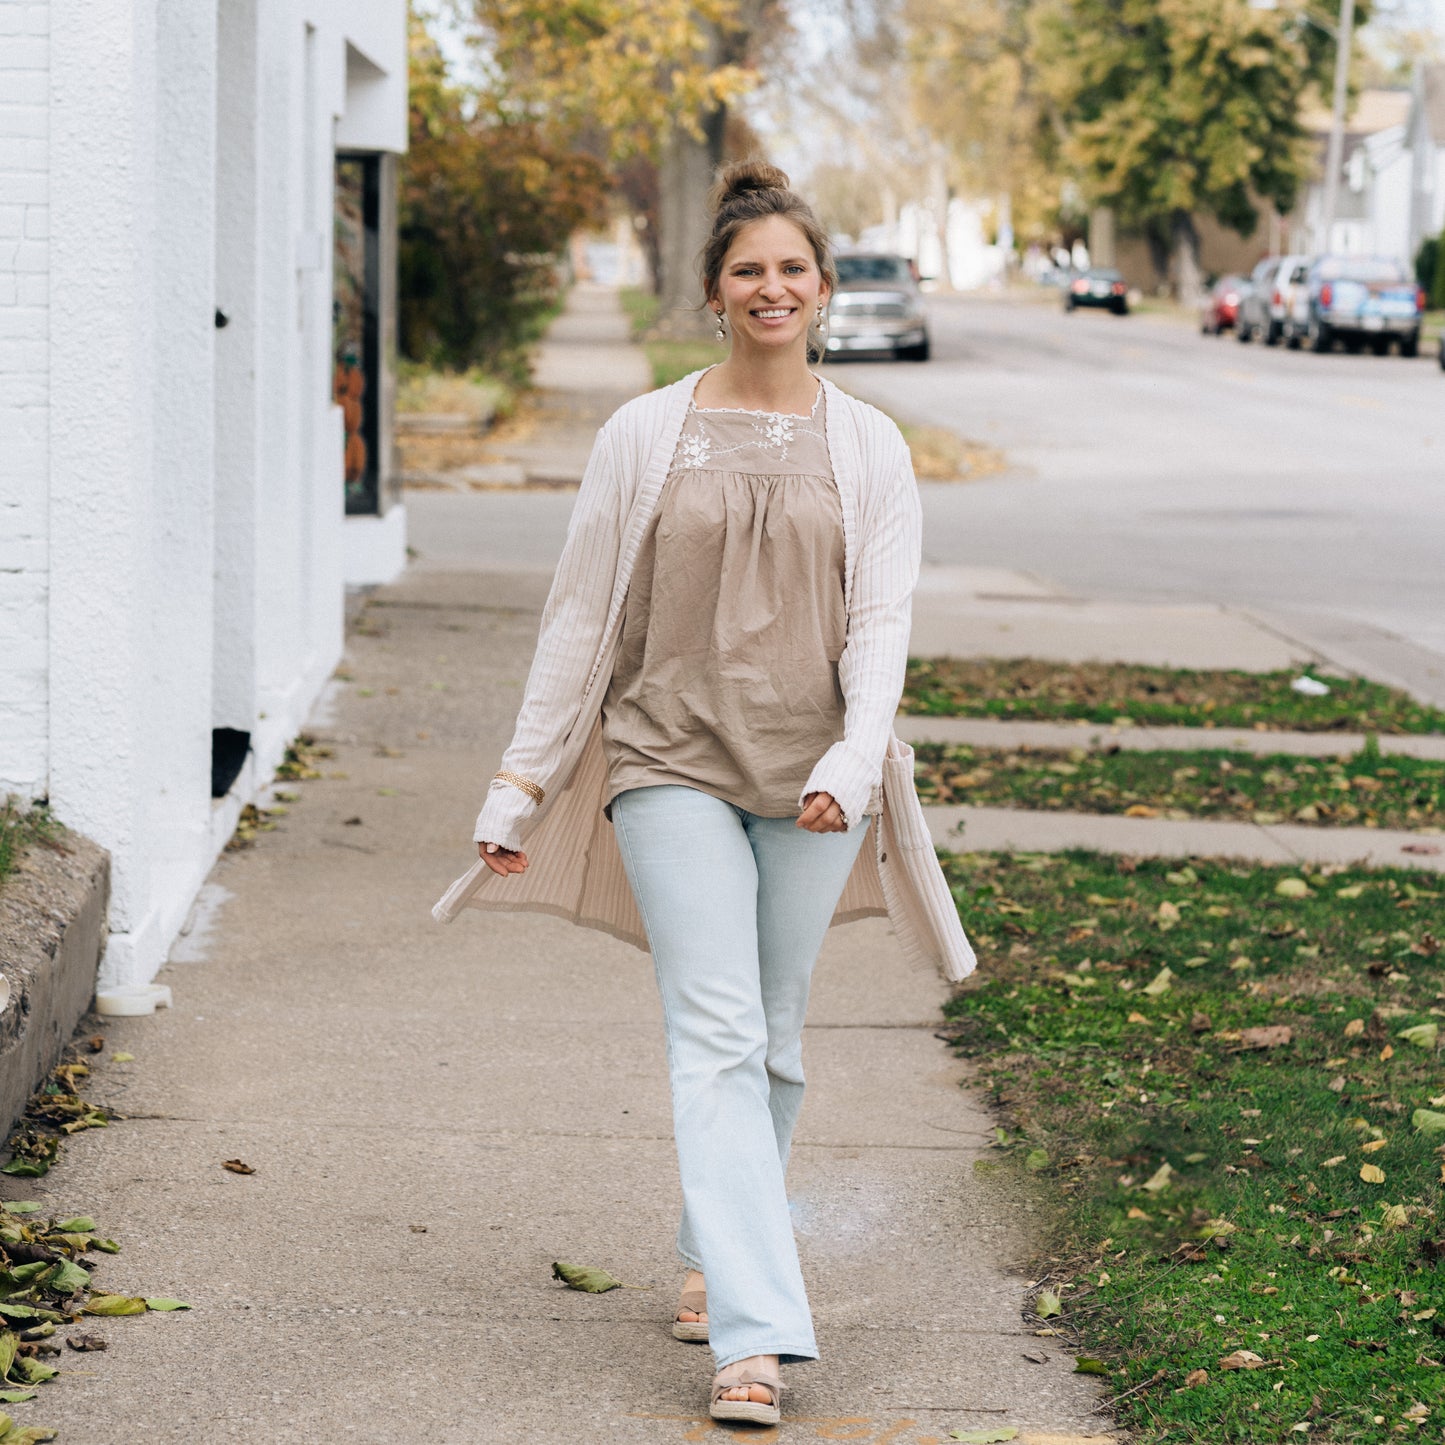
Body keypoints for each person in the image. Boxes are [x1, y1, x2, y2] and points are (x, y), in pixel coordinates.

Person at [433, 160, 975, 1427]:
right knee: (719, 1031)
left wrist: (853, 756)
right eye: (748, 271)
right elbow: (580, 619)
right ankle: (754, 1330)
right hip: (662, 759)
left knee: (775, 1036)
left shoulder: (870, 444)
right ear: (713, 294)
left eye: (792, 268)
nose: (771, 287)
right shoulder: (644, 432)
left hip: (811, 782)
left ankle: (708, 1241)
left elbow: (883, 624)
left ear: (823, 289)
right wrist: (518, 780)